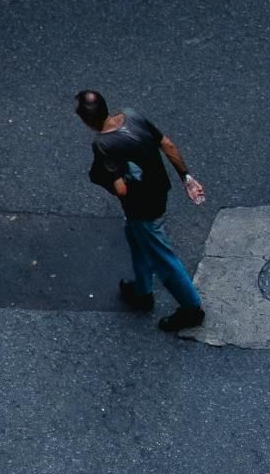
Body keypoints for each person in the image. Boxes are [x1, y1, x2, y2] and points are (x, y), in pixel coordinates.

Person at [74, 88, 207, 332]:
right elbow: (166, 144)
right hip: (159, 191)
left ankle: (191, 308)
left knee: (162, 256)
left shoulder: (103, 144)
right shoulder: (132, 115)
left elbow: (121, 189)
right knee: (135, 236)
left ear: (86, 120)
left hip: (141, 205)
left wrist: (101, 177)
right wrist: (186, 177)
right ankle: (142, 290)